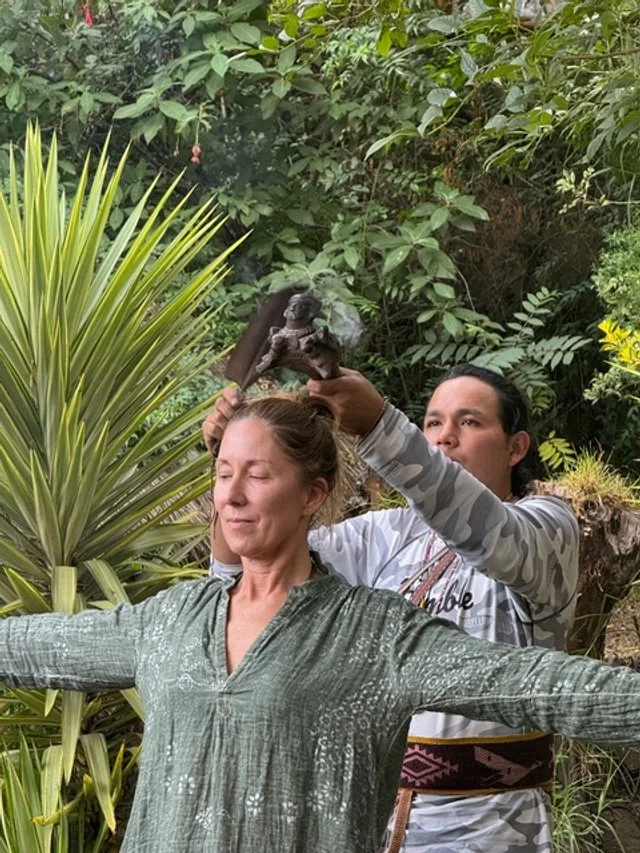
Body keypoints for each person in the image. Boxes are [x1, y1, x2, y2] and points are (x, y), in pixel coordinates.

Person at [0, 393, 638, 852]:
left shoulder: (385, 629)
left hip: (486, 826)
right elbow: (35, 645)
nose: (230, 494)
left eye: (257, 474)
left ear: (311, 493)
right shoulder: (172, 621)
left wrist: (384, 427)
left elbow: (547, 686)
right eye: (223, 475)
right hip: (398, 823)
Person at [204, 365, 579, 853]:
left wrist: (381, 424)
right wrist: (233, 458)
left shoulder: (547, 528)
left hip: (490, 828)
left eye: (469, 423)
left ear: (516, 447)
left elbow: (487, 535)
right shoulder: (385, 536)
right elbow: (245, 578)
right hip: (363, 823)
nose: (445, 438)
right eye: (433, 423)